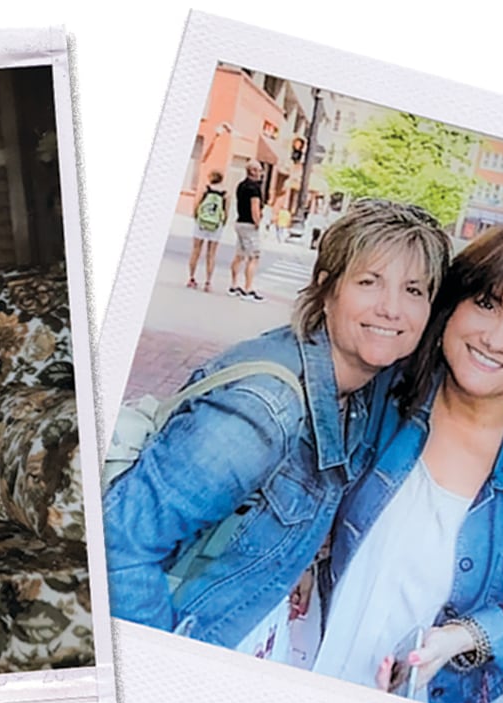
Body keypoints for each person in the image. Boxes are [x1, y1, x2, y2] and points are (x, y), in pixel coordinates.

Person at [104, 199, 451, 653]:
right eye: (369, 282)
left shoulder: (355, 389)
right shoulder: (264, 413)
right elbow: (119, 542)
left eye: (414, 290)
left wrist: (298, 557)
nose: (391, 308)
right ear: (327, 290)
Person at [316, 221, 503, 703]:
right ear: (451, 306)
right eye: (487, 304)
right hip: (317, 652)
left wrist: (463, 638)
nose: (496, 339)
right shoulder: (385, 396)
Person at [227, 160, 267, 300]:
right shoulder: (254, 188)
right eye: (260, 170)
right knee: (253, 257)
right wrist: (257, 221)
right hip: (250, 224)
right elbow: (254, 206)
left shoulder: (241, 185)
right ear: (254, 171)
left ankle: (233, 285)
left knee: (239, 255)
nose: (261, 173)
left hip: (240, 222)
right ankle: (248, 288)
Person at [187, 170, 228, 292]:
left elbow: (196, 204)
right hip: (215, 225)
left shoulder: (205, 190)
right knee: (211, 254)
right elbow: (226, 212)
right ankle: (208, 282)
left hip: (202, 223)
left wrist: (196, 217)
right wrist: (222, 223)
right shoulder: (225, 194)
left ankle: (192, 278)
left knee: (196, 250)